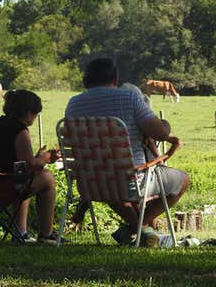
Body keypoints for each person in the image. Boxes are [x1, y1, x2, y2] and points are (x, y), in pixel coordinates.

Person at [64, 57, 189, 247]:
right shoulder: (129, 98)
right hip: (130, 182)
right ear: (115, 78)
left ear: (86, 79)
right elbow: (160, 133)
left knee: (110, 177)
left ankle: (137, 230)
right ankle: (137, 229)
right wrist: (165, 124)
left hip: (89, 183)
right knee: (182, 180)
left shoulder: (74, 104)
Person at [0, 89, 61, 244]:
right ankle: (46, 234)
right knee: (47, 178)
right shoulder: (19, 130)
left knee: (23, 177)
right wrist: (44, 159)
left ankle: (21, 233)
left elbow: (17, 162)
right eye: (36, 113)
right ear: (29, 112)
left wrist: (36, 160)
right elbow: (29, 166)